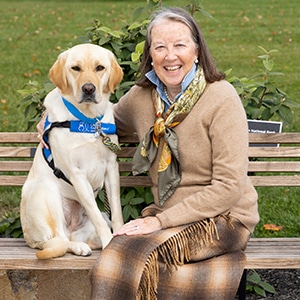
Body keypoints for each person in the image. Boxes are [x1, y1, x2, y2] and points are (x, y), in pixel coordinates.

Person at [38, 7, 259, 300]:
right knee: (113, 259)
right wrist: (53, 122)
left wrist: (159, 222)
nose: (170, 56)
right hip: (170, 218)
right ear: (150, 55)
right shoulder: (142, 97)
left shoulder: (221, 97)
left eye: (180, 45)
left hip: (224, 218)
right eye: (160, 47)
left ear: (196, 51)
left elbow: (229, 187)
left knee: (138, 262)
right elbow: (101, 121)